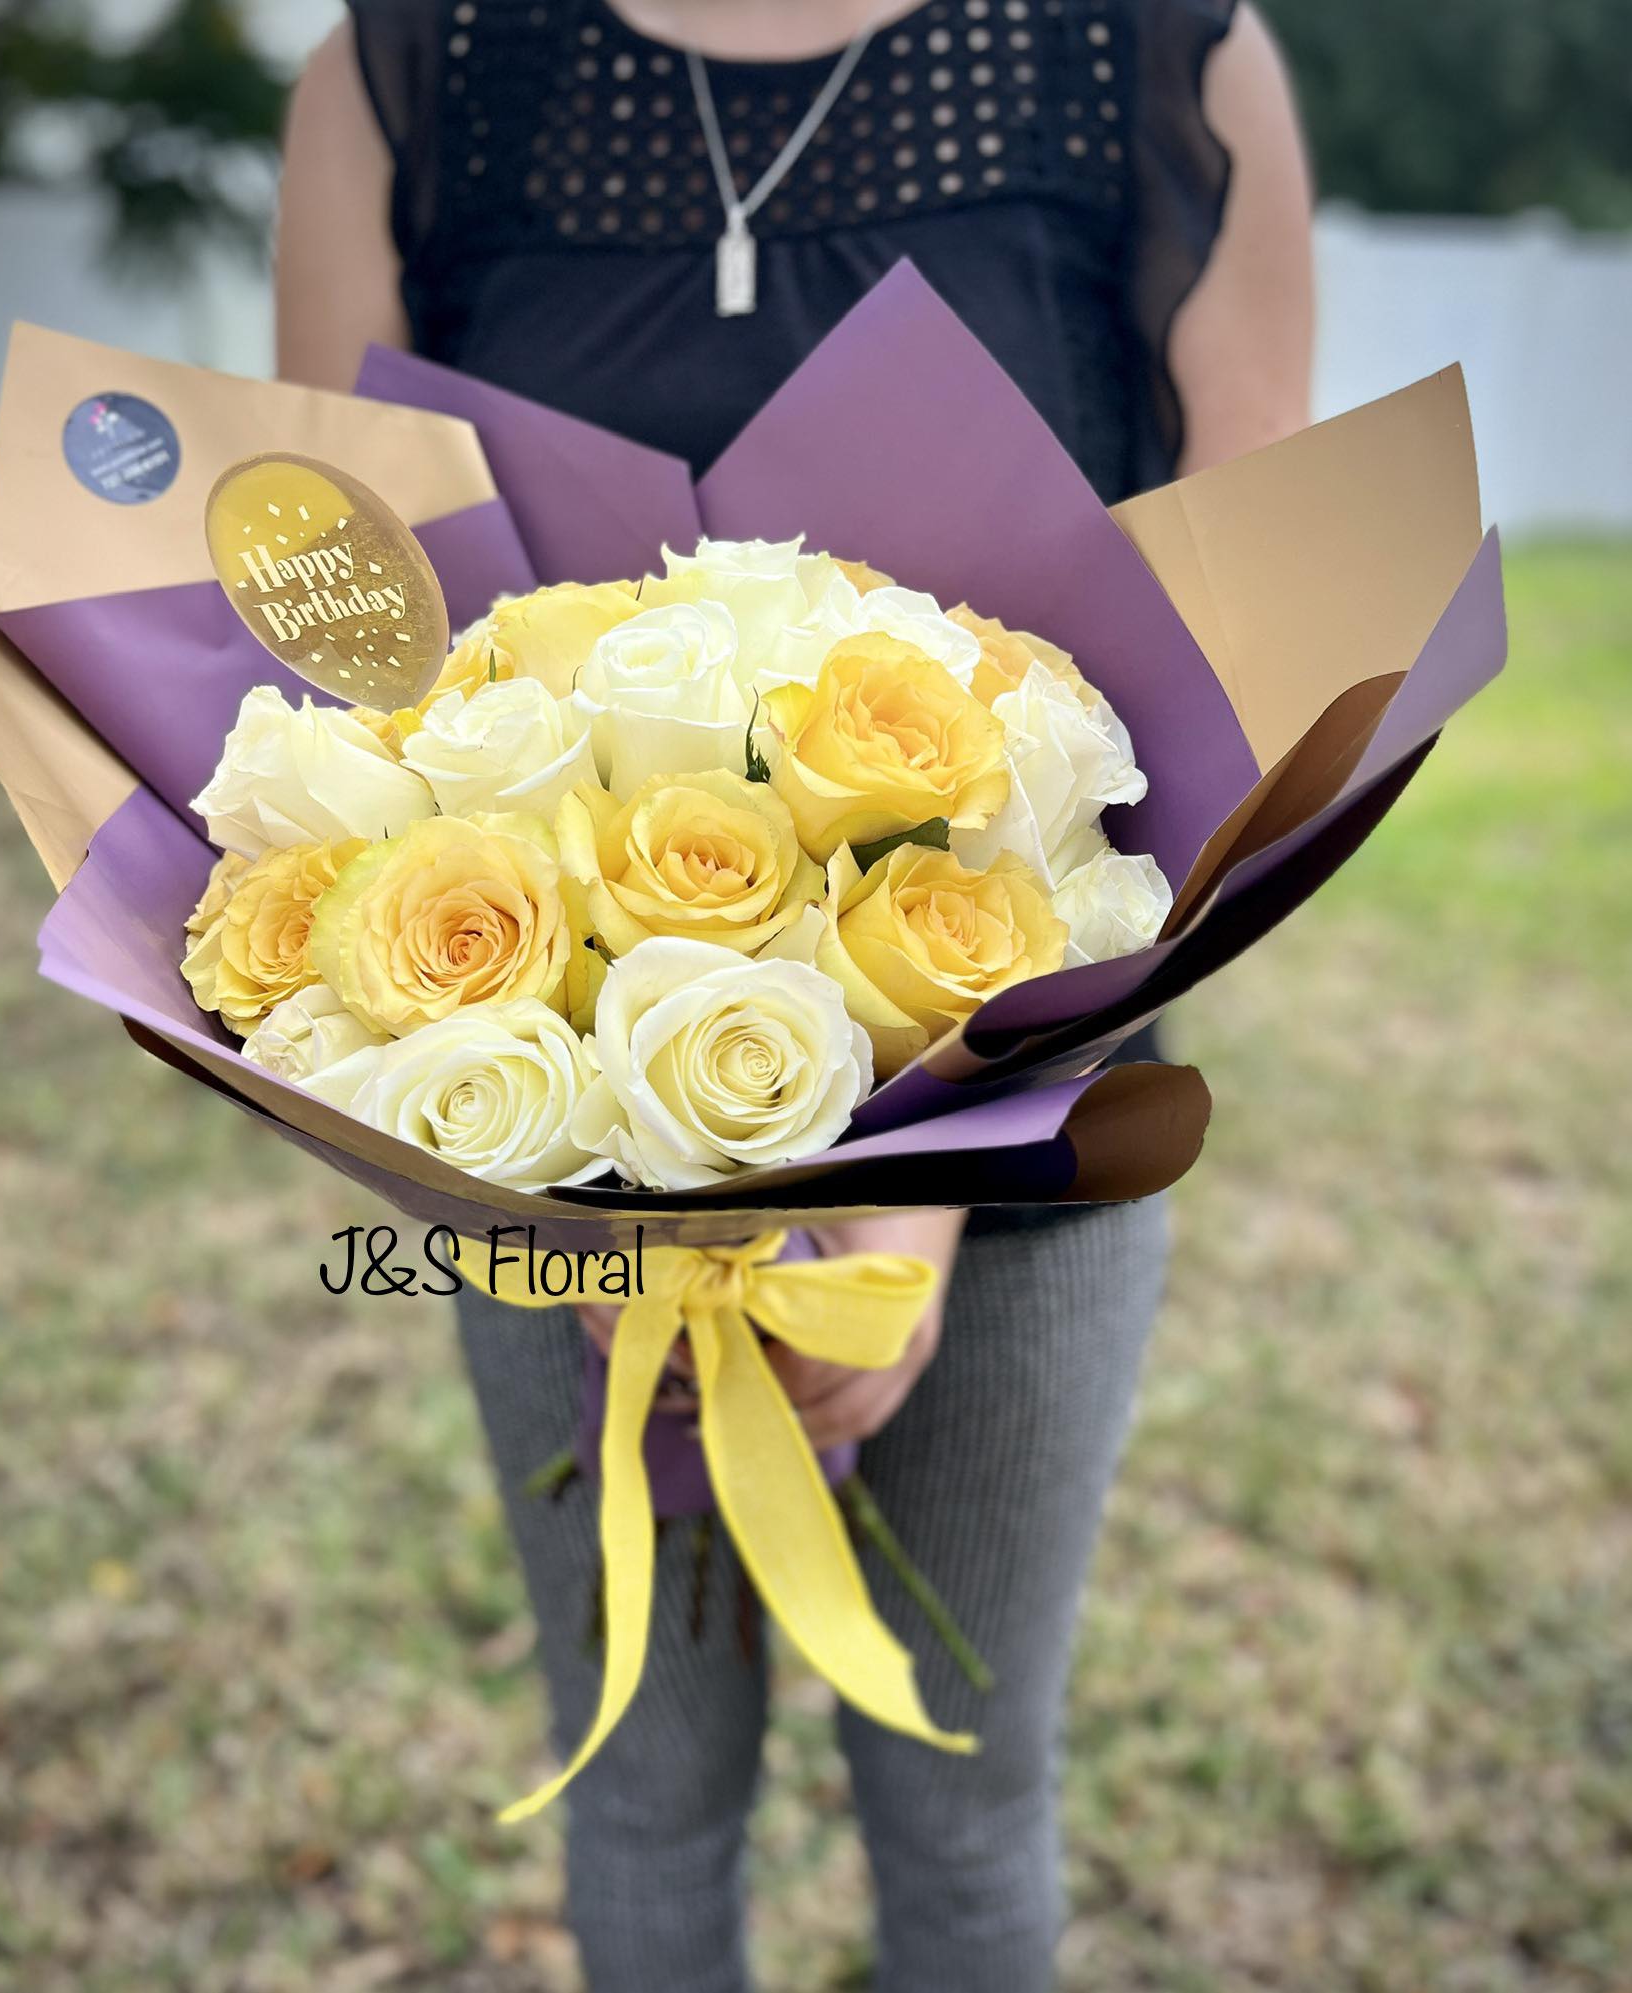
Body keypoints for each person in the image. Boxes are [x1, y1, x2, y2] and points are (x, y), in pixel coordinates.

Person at [276, 2, 1313, 1986]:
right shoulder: (406, 62)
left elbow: (1244, 670)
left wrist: (944, 1157)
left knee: (967, 1781)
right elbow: (339, 631)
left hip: (1036, 1119)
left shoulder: (1156, 48)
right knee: (645, 1790)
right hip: (547, 1137)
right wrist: (588, 1149)